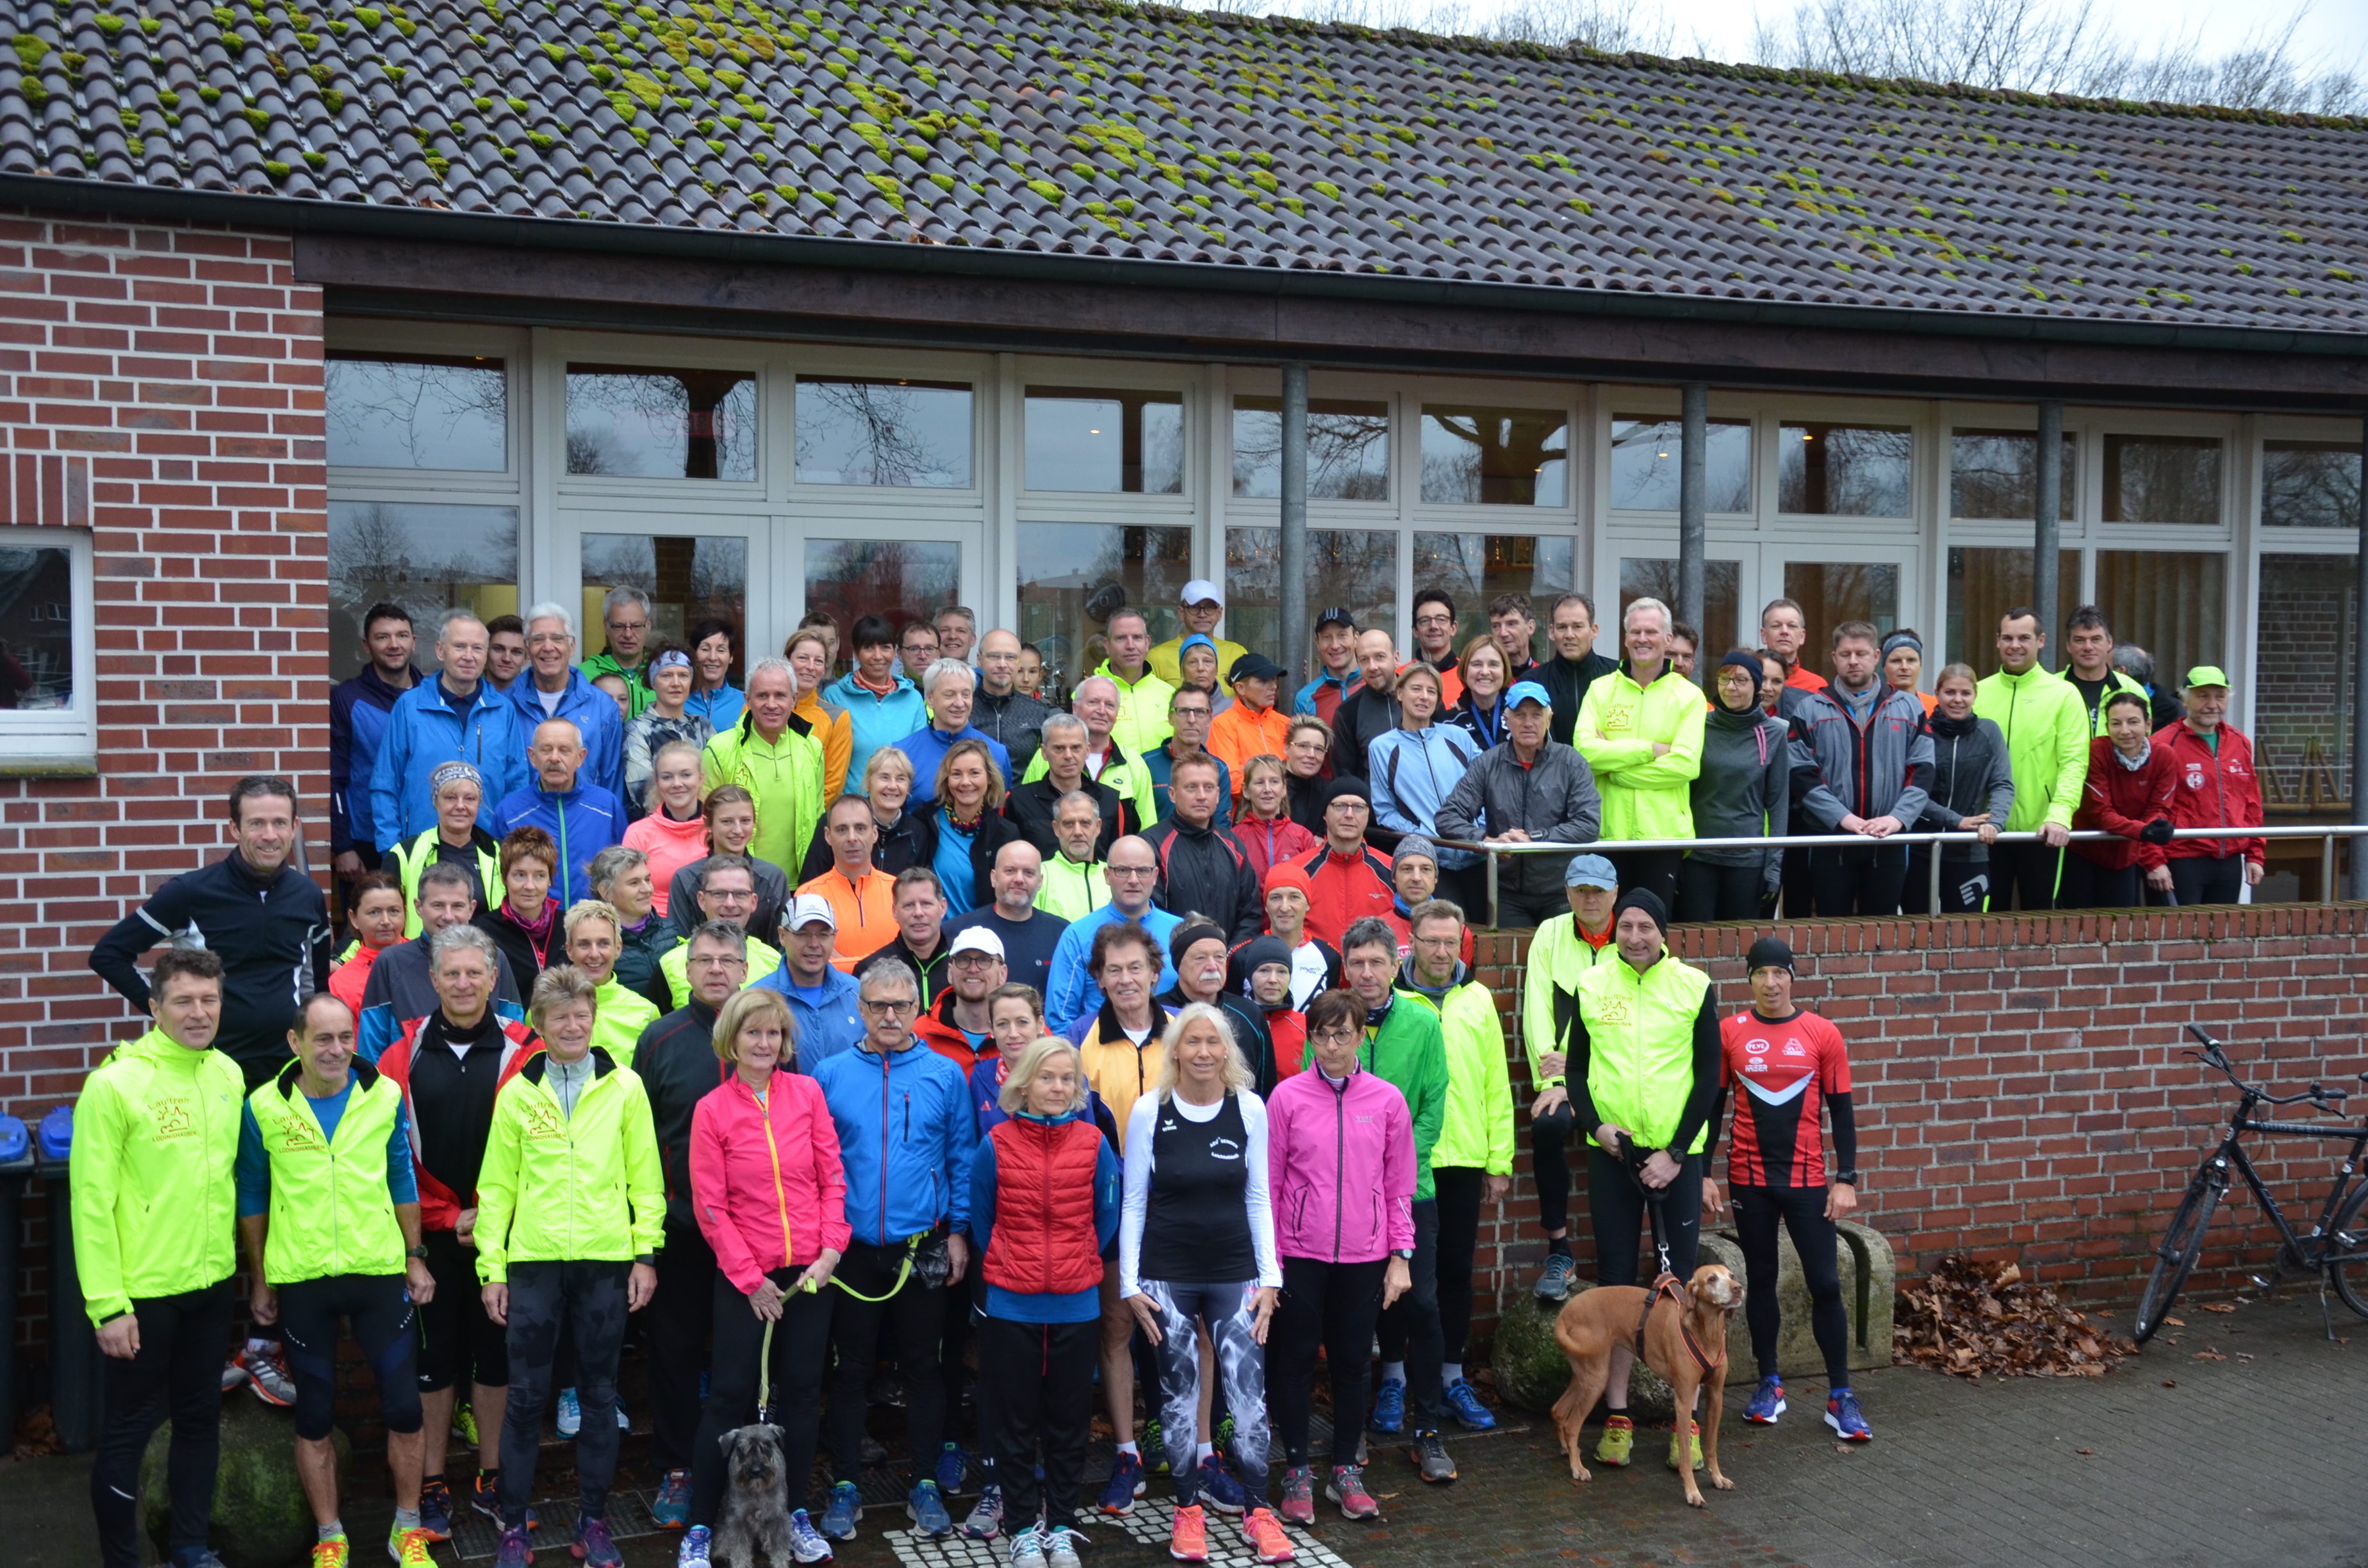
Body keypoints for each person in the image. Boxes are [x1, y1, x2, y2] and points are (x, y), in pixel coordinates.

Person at [235, 992, 436, 1568]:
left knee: (405, 1408)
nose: (336, 1049)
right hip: (303, 1277)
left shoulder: (384, 1095)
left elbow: (401, 1176)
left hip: (378, 1269)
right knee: (314, 1414)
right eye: (322, 1038)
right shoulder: (264, 1107)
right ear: (295, 1042)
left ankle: (407, 1529)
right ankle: (331, 1536)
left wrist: (415, 1257)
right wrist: (260, 1278)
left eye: (345, 1037)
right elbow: (253, 1194)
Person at [475, 965, 664, 1568]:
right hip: (534, 1262)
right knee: (526, 1398)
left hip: (606, 1260)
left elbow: (646, 1180)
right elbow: (496, 1188)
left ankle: (595, 1522)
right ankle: (513, 1526)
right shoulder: (517, 1092)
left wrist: (645, 1253)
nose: (574, 1026)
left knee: (600, 1396)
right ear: (539, 1023)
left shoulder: (625, 1087)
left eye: (582, 1015)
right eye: (560, 1017)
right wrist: (492, 1269)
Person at [74, 949, 243, 1568]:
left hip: (212, 1284)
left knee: (199, 1420)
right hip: (142, 1295)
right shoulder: (114, 1085)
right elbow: (90, 1202)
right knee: (128, 1430)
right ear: (154, 1007)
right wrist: (107, 1305)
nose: (199, 1013)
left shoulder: (227, 1074)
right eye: (183, 1001)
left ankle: (189, 1549)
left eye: (209, 1000)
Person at [376, 925, 540, 1535]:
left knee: (496, 1360)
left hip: (506, 1238)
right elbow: (389, 1158)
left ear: (494, 979)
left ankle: (492, 1478)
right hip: (433, 1240)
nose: (464, 983)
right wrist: (448, 1220)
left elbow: (544, 1150)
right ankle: (432, 1481)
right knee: (435, 1362)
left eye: (475, 972)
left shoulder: (528, 1050)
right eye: (452, 974)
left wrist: (495, 1218)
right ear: (433, 980)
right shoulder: (402, 1055)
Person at [680, 988, 849, 1568]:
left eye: (773, 1033)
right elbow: (711, 1206)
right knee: (729, 1397)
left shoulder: (807, 1094)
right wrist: (750, 1279)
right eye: (753, 1033)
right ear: (732, 1039)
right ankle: (700, 1525)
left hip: (810, 1275)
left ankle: (794, 1515)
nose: (764, 1043)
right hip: (746, 1280)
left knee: (800, 1394)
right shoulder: (712, 1109)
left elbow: (832, 1176)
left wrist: (830, 1251)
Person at [810, 959, 974, 1542]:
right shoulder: (829, 1074)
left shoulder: (944, 1074)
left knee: (925, 1367)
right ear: (860, 1007)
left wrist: (958, 1230)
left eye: (900, 1005)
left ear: (916, 1008)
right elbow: (817, 1163)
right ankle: (845, 1484)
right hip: (851, 1250)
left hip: (920, 1245)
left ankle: (925, 1482)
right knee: (851, 1369)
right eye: (877, 1004)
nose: (888, 1015)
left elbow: (960, 1156)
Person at [1119, 1004, 1287, 1563]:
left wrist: (1270, 1277)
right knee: (1178, 1397)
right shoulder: (1151, 1109)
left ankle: (1259, 1512)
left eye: (1213, 1042)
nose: (1203, 1052)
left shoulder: (1249, 1107)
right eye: (1192, 1042)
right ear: (1175, 1051)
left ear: (1228, 1050)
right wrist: (1129, 1283)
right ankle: (1188, 1510)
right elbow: (1134, 1200)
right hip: (1167, 1275)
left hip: (1237, 1273)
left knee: (1249, 1399)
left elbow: (1259, 1196)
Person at [1565, 890, 1722, 1474]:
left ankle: (1688, 1425)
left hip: (1676, 1160)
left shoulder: (1693, 986)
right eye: (1626, 926)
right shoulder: (1592, 984)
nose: (1635, 936)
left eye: (1646, 927)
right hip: (1614, 1156)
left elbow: (1709, 1076)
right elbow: (1575, 1069)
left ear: (1663, 933)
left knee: (1680, 1290)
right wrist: (1595, 1127)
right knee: (1614, 1286)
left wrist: (1677, 1153)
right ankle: (1618, 1417)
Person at [970, 1031, 1121, 1568]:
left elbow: (1107, 1217)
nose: (1057, 1087)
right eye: (1046, 1077)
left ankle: (1059, 1524)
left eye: (1067, 1079)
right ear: (1023, 1083)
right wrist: (1015, 1263)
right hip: (1012, 1306)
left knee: (1069, 1422)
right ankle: (1020, 1529)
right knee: (1015, 1424)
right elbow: (983, 1220)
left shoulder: (1094, 1143)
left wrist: (1076, 1261)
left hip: (1076, 1305)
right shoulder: (996, 1144)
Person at [1263, 988, 1413, 1525]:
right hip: (1299, 1254)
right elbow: (1268, 1185)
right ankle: (1297, 1471)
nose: (1331, 1046)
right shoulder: (1286, 1099)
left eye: (1342, 1034)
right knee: (1295, 1361)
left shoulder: (1388, 1101)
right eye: (1322, 1035)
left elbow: (1399, 1184)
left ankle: (1346, 1470)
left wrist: (1401, 1254)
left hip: (1364, 1255)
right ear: (1311, 1038)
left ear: (1359, 1035)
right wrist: (1269, 1262)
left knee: (1352, 1363)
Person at [1714, 937, 1870, 1440]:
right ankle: (1769, 1385)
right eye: (1761, 973)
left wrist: (1845, 1179)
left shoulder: (1822, 1033)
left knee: (1825, 1283)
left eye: (1779, 973)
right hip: (1749, 1180)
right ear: (1750, 979)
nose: (1771, 983)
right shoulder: (1730, 1032)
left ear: (1792, 978)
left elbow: (1842, 1110)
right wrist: (1701, 1174)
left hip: (1807, 1181)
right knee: (1761, 1281)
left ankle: (1840, 1396)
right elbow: (1713, 1105)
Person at [91, 775, 333, 1091]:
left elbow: (315, 983)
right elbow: (108, 955)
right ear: (235, 828)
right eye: (256, 823)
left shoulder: (308, 895)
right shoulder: (190, 893)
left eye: (279, 823)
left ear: (294, 827)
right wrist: (163, 1009)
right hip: (208, 1070)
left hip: (288, 1070)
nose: (270, 835)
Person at [632, 920, 751, 1532]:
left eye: (727, 960)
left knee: (742, 1360)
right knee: (675, 1354)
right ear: (686, 970)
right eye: (704, 960)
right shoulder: (661, 1039)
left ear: (745, 969)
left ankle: (745, 1471)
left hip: (754, 1236)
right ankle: (678, 1467)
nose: (715, 970)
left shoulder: (766, 1034)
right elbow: (639, 1141)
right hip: (680, 1229)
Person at [1336, 917, 1455, 1483]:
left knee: (1422, 1306)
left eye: (1376, 962)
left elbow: (1433, 1103)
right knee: (1356, 1312)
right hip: (1349, 1197)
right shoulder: (1330, 1021)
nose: (1367, 973)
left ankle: (1427, 1429)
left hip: (1413, 1191)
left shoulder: (1423, 1021)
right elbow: (1319, 1103)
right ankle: (1350, 1432)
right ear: (1345, 967)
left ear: (1395, 964)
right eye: (1357, 962)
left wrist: (1397, 1170)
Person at [1394, 899, 1511, 1435]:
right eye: (1431, 941)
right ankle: (1394, 1379)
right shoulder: (1390, 998)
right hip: (1405, 1161)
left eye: (1450, 942)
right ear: (1412, 942)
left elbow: (1496, 1084)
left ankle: (1451, 1377)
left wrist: (1498, 1161)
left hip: (1464, 1157)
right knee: (1399, 1275)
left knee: (1456, 1273)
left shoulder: (1478, 999)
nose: (1441, 952)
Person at [1518, 854, 1620, 1301]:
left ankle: (1625, 1261)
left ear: (1615, 893)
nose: (1589, 899)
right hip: (1560, 1077)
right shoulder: (1550, 932)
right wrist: (1556, 1083)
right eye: (1581, 890)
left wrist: (1587, 1071)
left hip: (1616, 1078)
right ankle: (1559, 1251)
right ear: (1567, 892)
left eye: (1598, 890)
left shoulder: (1635, 934)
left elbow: (1639, 1024)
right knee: (1548, 1125)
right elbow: (1537, 1010)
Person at [1788, 621, 1935, 917]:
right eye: (1846, 654)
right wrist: (1842, 818)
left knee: (1882, 930)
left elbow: (1923, 770)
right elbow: (1801, 773)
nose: (1853, 661)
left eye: (1861, 654)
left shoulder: (1909, 708)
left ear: (1876, 656)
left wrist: (1897, 818)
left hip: (1889, 840)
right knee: (1832, 931)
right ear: (1834, 658)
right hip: (1831, 840)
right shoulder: (1810, 709)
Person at [1435, 682, 1604, 927]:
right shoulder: (1488, 763)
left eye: (1537, 715)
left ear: (1549, 720)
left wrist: (1534, 839)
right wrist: (1488, 841)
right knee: (1508, 948)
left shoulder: (1572, 762)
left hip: (1561, 889)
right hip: (1505, 891)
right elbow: (1447, 817)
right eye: (1520, 715)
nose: (1528, 723)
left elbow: (1589, 824)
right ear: (1507, 720)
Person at [1574, 596, 1704, 910]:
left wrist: (1614, 769)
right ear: (1625, 638)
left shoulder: (1689, 696)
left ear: (1668, 639)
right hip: (1608, 834)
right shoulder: (1600, 690)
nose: (1642, 639)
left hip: (1664, 838)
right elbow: (1584, 753)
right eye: (1635, 632)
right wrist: (1651, 750)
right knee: (1606, 926)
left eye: (1651, 632)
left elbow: (1685, 766)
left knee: (1652, 927)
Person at [369, 611, 522, 854]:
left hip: (487, 851)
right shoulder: (410, 707)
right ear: (440, 650)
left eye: (477, 648)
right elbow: (385, 783)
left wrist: (510, 850)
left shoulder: (504, 711)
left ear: (485, 655)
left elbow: (517, 786)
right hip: (419, 848)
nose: (468, 656)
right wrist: (392, 852)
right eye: (459, 646)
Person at [1974, 607, 2091, 910]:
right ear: (1998, 641)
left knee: (2040, 922)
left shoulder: (2064, 695)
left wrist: (2060, 815)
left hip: (2042, 832)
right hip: (1985, 829)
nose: (2015, 645)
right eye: (2008, 638)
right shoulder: (1978, 693)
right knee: (1984, 922)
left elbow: (2074, 763)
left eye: (2024, 638)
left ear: (2041, 641)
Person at [357, 862, 527, 1063]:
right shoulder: (390, 962)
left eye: (457, 906)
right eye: (438, 905)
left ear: (472, 908)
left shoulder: (494, 957)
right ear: (419, 907)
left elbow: (515, 1039)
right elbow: (371, 1052)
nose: (448, 916)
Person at [1679, 653, 1790, 924]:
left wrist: (1773, 868)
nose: (1731, 687)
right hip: (1697, 856)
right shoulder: (1698, 726)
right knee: (1695, 938)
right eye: (1724, 679)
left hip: (1748, 860)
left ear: (1756, 685)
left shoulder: (1774, 733)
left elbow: (1778, 805)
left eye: (1741, 680)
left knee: (1739, 940)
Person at [1906, 664, 2016, 915]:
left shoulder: (1989, 732)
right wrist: (1955, 820)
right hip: (1921, 848)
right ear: (1937, 693)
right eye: (1950, 692)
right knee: (1917, 928)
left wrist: (1995, 822)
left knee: (1966, 929)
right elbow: (1912, 790)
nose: (1958, 700)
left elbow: (2002, 783)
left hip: (1970, 852)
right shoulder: (1921, 731)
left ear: (1975, 695)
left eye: (1965, 693)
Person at [1044, 837, 1183, 1032]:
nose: (1133, 880)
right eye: (1123, 870)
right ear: (1107, 875)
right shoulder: (1078, 936)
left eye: (1143, 871)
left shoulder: (1179, 931)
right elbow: (1059, 1019)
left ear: (1155, 876)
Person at [702, 657, 825, 877]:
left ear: (794, 699)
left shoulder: (812, 748)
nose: (771, 704)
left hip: (800, 882)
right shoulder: (719, 749)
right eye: (762, 696)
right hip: (737, 880)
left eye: (780, 695)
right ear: (748, 700)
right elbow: (703, 825)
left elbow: (817, 818)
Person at [1369, 663, 1482, 897]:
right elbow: (1385, 811)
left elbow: (1487, 787)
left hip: (1478, 855)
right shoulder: (1381, 747)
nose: (1424, 697)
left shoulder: (1459, 736)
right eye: (1416, 689)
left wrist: (1479, 829)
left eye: (1431, 691)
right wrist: (1423, 836)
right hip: (1431, 861)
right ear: (1400, 693)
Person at [2157, 666, 2267, 905]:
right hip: (2181, 859)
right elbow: (2150, 810)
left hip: (2229, 861)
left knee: (2221, 929)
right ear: (2185, 700)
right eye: (2203, 696)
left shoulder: (2239, 742)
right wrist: (2155, 861)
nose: (2212, 704)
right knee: (2182, 928)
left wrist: (2255, 855)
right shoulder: (2164, 744)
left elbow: (2251, 804)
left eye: (2220, 696)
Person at [331, 601, 422, 885]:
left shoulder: (433, 695)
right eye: (382, 637)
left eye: (402, 636)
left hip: (425, 834)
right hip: (367, 839)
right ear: (367, 646)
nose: (394, 645)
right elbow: (335, 778)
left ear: (414, 641)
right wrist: (343, 847)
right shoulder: (347, 699)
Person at [491, 719, 624, 908]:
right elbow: (497, 880)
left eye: (564, 750)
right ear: (532, 756)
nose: (554, 758)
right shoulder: (510, 811)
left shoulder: (607, 806)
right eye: (546, 750)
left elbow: (623, 870)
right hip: (533, 921)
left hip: (595, 920)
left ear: (581, 757)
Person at [2066, 690, 2180, 908]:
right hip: (2084, 850)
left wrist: (2154, 827)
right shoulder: (2096, 751)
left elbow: (2159, 808)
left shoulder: (2164, 755)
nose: (2125, 731)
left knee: (2120, 922)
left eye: (2133, 722)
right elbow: (2101, 814)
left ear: (2148, 725)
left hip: (2126, 853)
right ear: (2107, 727)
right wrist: (2144, 831)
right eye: (2116, 724)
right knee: (2078, 923)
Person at [508, 602, 627, 801]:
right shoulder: (506, 705)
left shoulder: (603, 707)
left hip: (585, 818)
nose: (548, 647)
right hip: (523, 818)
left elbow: (612, 785)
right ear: (527, 649)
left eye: (557, 638)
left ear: (572, 647)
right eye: (538, 639)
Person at [1142, 753, 1263, 941]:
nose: (1201, 796)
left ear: (1218, 795)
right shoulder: (1152, 845)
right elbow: (1150, 913)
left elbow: (1250, 913)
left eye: (1208, 788)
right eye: (1191, 787)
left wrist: (1230, 953)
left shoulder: (1234, 845)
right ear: (1172, 794)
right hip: (1172, 955)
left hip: (1227, 956)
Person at [1021, 674, 1158, 830]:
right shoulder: (1045, 758)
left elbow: (1147, 829)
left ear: (1117, 714)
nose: (1102, 711)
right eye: (1093, 702)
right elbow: (1027, 810)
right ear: (1075, 709)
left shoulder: (1134, 763)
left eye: (1109, 705)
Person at [1156, 920, 1278, 1093]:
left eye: (1219, 957)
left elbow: (1266, 1089)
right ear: (1178, 964)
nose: (1212, 966)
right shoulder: (1157, 1013)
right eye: (1200, 958)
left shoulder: (1249, 1013)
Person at [385, 762, 502, 933]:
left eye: (469, 799)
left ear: (479, 804)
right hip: (424, 950)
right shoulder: (404, 854)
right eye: (450, 798)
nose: (460, 806)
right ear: (436, 802)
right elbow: (381, 912)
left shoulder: (500, 853)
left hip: (487, 949)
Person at [753, 895, 869, 1066]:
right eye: (803, 934)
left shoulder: (859, 993)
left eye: (823, 935)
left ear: (835, 936)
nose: (814, 944)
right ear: (782, 935)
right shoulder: (757, 999)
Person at [668, 786, 791, 945]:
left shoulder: (773, 876)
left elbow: (784, 943)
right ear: (709, 824)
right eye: (727, 822)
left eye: (745, 821)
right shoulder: (685, 878)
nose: (738, 830)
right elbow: (680, 943)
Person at [946, 838, 1069, 997]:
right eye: (1010, 871)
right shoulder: (957, 932)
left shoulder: (1063, 935)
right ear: (994, 878)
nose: (1019, 879)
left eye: (1029, 873)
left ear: (1040, 882)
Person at [1008, 712, 1136, 863]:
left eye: (1076, 748)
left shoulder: (1110, 800)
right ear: (1044, 752)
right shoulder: (1019, 802)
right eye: (1059, 748)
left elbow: (1119, 862)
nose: (1068, 755)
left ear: (1087, 750)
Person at [656, 858, 785, 1006]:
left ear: (753, 902)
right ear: (702, 900)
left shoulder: (775, 963)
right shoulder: (670, 965)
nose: (730, 904)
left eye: (740, 894)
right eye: (719, 894)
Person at [919, 737, 1023, 918]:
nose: (965, 782)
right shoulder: (926, 819)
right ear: (947, 779)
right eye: (956, 774)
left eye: (974, 773)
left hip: (982, 932)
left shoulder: (1006, 833)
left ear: (989, 778)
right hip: (933, 931)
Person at [823, 614, 928, 790]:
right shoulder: (834, 697)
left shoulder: (912, 698)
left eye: (885, 647)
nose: (878, 656)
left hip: (897, 801)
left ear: (894, 652)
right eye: (868, 648)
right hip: (851, 803)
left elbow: (918, 757)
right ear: (856, 653)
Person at [799, 746, 930, 884]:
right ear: (868, 784)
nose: (893, 786)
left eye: (901, 779)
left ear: (908, 787)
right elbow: (811, 881)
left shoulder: (918, 833)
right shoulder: (835, 822)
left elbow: (920, 887)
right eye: (884, 777)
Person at [800, 792, 902, 968]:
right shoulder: (809, 896)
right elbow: (814, 961)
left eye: (860, 828)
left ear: (874, 834)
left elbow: (911, 955)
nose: (852, 838)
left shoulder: (898, 891)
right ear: (828, 836)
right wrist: (880, 966)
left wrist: (846, 963)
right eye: (842, 830)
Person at [898, 660, 1014, 808]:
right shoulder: (904, 754)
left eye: (966, 694)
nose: (960, 703)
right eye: (949, 695)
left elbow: (1002, 811)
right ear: (930, 699)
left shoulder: (997, 753)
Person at [1298, 778, 1395, 948]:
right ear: (1324, 814)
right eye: (1340, 806)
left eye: (1359, 807)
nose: (1349, 814)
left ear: (1368, 815)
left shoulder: (1391, 870)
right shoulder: (1299, 871)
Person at [563, 901, 661, 1067]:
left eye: (604, 943)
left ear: (618, 948)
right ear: (569, 950)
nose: (594, 954)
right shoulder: (547, 1009)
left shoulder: (646, 1012)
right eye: (584, 944)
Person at [623, 648, 718, 816]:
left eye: (683, 675)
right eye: (666, 675)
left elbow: (716, 780)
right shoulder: (637, 729)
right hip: (657, 824)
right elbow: (642, 790)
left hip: (704, 823)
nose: (676, 683)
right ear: (653, 682)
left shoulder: (703, 726)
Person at [623, 741, 709, 921]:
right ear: (657, 782)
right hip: (655, 927)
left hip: (711, 927)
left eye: (686, 775)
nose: (677, 784)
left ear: (701, 778)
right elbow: (629, 894)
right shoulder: (638, 833)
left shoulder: (716, 830)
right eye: (667, 777)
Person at [854, 866, 958, 1007]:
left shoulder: (963, 962)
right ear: (895, 912)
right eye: (909, 905)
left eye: (926, 904)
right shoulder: (869, 969)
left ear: (943, 907)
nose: (918, 913)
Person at [475, 826, 563, 986]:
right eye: (520, 875)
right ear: (504, 878)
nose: (529, 886)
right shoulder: (483, 932)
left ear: (550, 880)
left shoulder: (568, 927)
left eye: (540, 876)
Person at [915, 926, 1010, 1074]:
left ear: (1002, 974)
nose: (973, 969)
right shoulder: (919, 1035)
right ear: (950, 972)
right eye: (963, 959)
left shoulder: (1028, 1034)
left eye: (984, 960)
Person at [1250, 862, 1340, 1009]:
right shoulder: (1242, 955)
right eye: (1276, 898)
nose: (1285, 907)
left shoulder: (1329, 956)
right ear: (1265, 905)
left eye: (1294, 897)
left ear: (1308, 904)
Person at [1095, 607, 1178, 762]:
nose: (1130, 646)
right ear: (1107, 646)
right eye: (1121, 638)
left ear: (1147, 643)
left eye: (1137, 638)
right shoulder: (1087, 696)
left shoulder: (1170, 695)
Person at [586, 844, 668, 998]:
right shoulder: (594, 948)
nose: (647, 889)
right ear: (606, 892)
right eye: (634, 883)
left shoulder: (673, 931)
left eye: (648, 880)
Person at [1146, 685, 1235, 826]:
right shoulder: (1145, 764)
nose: (1192, 720)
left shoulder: (1219, 769)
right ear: (1170, 718)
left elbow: (1221, 829)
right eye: (1183, 711)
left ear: (1209, 719)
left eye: (1200, 712)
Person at [1207, 653, 1292, 798]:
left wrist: (1249, 771)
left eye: (1274, 680)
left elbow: (1296, 776)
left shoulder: (1284, 723)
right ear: (1240, 688)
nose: (1274, 686)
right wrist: (1276, 783)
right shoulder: (1223, 724)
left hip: (1284, 810)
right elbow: (1230, 781)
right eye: (1263, 681)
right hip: (1244, 810)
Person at [1539, 593, 1620, 747]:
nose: (1569, 635)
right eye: (1562, 627)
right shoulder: (1534, 681)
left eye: (1578, 627)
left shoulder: (1618, 675)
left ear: (1594, 630)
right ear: (1551, 632)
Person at [784, 627, 853, 801]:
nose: (811, 667)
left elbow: (833, 786)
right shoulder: (758, 708)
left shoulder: (837, 718)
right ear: (786, 661)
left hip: (813, 816)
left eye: (819, 661)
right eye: (803, 658)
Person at [1148, 579, 1249, 695]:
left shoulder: (1237, 654)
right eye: (1194, 607)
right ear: (1181, 612)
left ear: (1220, 613)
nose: (1202, 614)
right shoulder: (1157, 657)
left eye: (1210, 607)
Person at [975, 628, 1051, 778]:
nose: (1002, 664)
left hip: (1023, 793)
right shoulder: (965, 708)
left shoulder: (1037, 711)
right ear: (979, 660)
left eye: (1010, 657)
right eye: (994, 656)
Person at [2062, 607, 2151, 735]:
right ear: (2068, 646)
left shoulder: (2133, 690)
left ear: (2109, 643)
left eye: (2096, 639)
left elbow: (2143, 741)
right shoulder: (2051, 688)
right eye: (2079, 640)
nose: (2088, 647)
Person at [1329, 630, 1404, 780]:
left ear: (1396, 658)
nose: (1372, 667)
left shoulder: (1421, 700)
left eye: (1380, 657)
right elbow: (1345, 780)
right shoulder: (1347, 714)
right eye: (1364, 660)